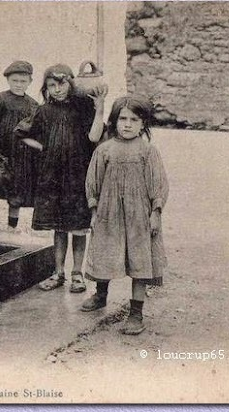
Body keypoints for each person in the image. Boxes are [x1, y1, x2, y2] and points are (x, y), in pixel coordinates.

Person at [81, 95, 168, 335]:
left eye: (134, 120)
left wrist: (155, 213)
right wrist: (94, 211)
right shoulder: (104, 150)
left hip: (139, 215)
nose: (127, 124)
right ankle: (101, 294)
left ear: (143, 124)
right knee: (105, 252)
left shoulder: (148, 152)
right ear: (114, 121)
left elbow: (158, 185)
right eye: (122, 119)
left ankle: (136, 312)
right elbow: (93, 182)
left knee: (140, 259)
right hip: (109, 214)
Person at [19, 64, 107, 293]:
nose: (57, 89)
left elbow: (94, 136)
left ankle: (77, 274)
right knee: (58, 228)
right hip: (53, 177)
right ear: (46, 88)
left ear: (71, 84)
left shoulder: (83, 109)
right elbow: (22, 133)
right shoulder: (43, 111)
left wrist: (99, 109)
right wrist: (43, 147)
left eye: (61, 84)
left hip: (78, 175)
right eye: (51, 85)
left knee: (78, 228)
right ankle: (58, 273)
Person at [0, 61, 40, 229]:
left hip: (22, 157)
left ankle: (11, 229)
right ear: (8, 80)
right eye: (15, 81)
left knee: (16, 196)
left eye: (23, 81)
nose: (18, 84)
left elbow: (35, 131)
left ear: (30, 82)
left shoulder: (33, 105)